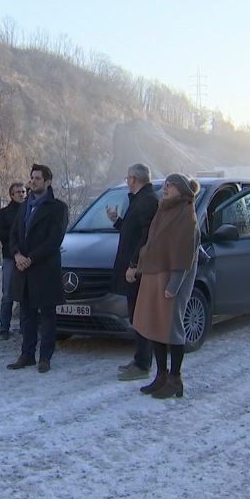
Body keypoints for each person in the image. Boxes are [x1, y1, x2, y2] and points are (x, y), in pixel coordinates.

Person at [127, 173, 200, 399]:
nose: (165, 188)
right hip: (153, 276)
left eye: (170, 185)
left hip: (171, 281)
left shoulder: (186, 216)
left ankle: (175, 379)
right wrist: (140, 267)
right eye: (165, 185)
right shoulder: (163, 210)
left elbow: (183, 254)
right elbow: (153, 244)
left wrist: (174, 285)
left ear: (181, 189)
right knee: (154, 327)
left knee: (172, 330)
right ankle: (160, 376)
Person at [6, 164, 69, 373]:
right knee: (26, 314)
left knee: (48, 315)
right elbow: (13, 233)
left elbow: (53, 240)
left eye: (37, 179)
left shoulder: (58, 208)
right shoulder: (25, 205)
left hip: (44, 269)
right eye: (31, 178)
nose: (32, 181)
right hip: (22, 268)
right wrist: (16, 255)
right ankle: (27, 354)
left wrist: (30, 258)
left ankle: (45, 357)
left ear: (48, 182)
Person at [106, 163, 159, 381]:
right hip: (133, 267)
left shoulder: (147, 201)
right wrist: (117, 221)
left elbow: (146, 237)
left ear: (134, 179)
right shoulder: (140, 199)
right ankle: (139, 359)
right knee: (136, 316)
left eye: (128, 178)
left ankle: (143, 364)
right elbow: (132, 232)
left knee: (141, 316)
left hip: (138, 271)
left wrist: (134, 265)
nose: (126, 181)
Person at [0, 182, 27, 340]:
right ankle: (4, 328)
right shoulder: (4, 213)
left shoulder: (29, 210)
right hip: (9, 257)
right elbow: (0, 234)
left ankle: (25, 326)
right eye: (18, 192)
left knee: (25, 295)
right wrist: (16, 235)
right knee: (7, 294)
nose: (21, 194)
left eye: (23, 191)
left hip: (27, 257)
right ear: (11, 194)